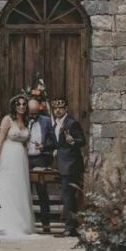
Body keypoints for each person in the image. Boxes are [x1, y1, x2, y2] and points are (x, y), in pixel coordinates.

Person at [0, 93, 35, 240]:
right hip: (7, 156)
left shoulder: (26, 122)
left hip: (20, 160)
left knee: (19, 189)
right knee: (5, 187)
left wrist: (27, 161)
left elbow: (26, 144)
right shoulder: (8, 119)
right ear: (14, 106)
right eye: (18, 104)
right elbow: (0, 142)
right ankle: (3, 223)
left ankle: (21, 223)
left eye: (24, 104)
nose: (21, 107)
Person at [51, 96, 86, 238]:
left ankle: (69, 227)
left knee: (68, 196)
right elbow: (58, 144)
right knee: (68, 196)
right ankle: (73, 226)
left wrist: (72, 141)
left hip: (71, 165)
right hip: (62, 164)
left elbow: (82, 141)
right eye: (55, 108)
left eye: (60, 108)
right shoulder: (56, 124)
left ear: (66, 109)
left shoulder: (72, 123)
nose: (58, 110)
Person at [27, 80, 56, 234]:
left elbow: (55, 142)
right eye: (30, 113)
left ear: (39, 109)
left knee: (42, 192)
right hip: (23, 160)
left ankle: (46, 223)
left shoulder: (46, 121)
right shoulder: (21, 121)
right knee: (23, 192)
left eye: (34, 112)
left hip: (40, 160)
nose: (32, 115)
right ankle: (25, 224)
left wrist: (44, 147)